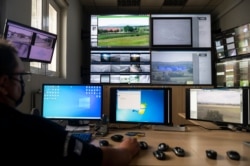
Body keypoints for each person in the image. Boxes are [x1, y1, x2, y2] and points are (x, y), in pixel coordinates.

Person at [0, 38, 140, 165]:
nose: (23, 81)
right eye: (20, 75)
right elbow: (102, 159)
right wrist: (126, 150)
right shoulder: (37, 131)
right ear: (4, 83)